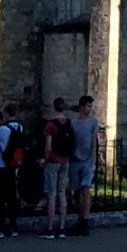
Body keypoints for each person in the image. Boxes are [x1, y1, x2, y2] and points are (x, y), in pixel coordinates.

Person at [37, 97, 74, 239]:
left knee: (51, 194)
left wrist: (44, 161)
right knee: (62, 193)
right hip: (66, 160)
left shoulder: (51, 125)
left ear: (53, 107)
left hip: (53, 160)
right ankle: (62, 227)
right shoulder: (69, 123)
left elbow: (48, 147)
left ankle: (51, 228)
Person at [0, 102, 23, 238]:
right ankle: (13, 226)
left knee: (0, 196)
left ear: (6, 114)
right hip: (12, 165)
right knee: (12, 195)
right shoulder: (19, 127)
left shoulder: (3, 129)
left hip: (0, 165)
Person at [65, 95, 99, 236]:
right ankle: (79, 218)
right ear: (81, 107)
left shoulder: (93, 122)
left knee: (86, 190)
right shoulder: (73, 123)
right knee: (77, 190)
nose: (89, 109)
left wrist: (93, 160)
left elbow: (94, 142)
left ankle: (85, 219)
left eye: (90, 106)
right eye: (87, 106)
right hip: (75, 159)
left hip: (86, 160)